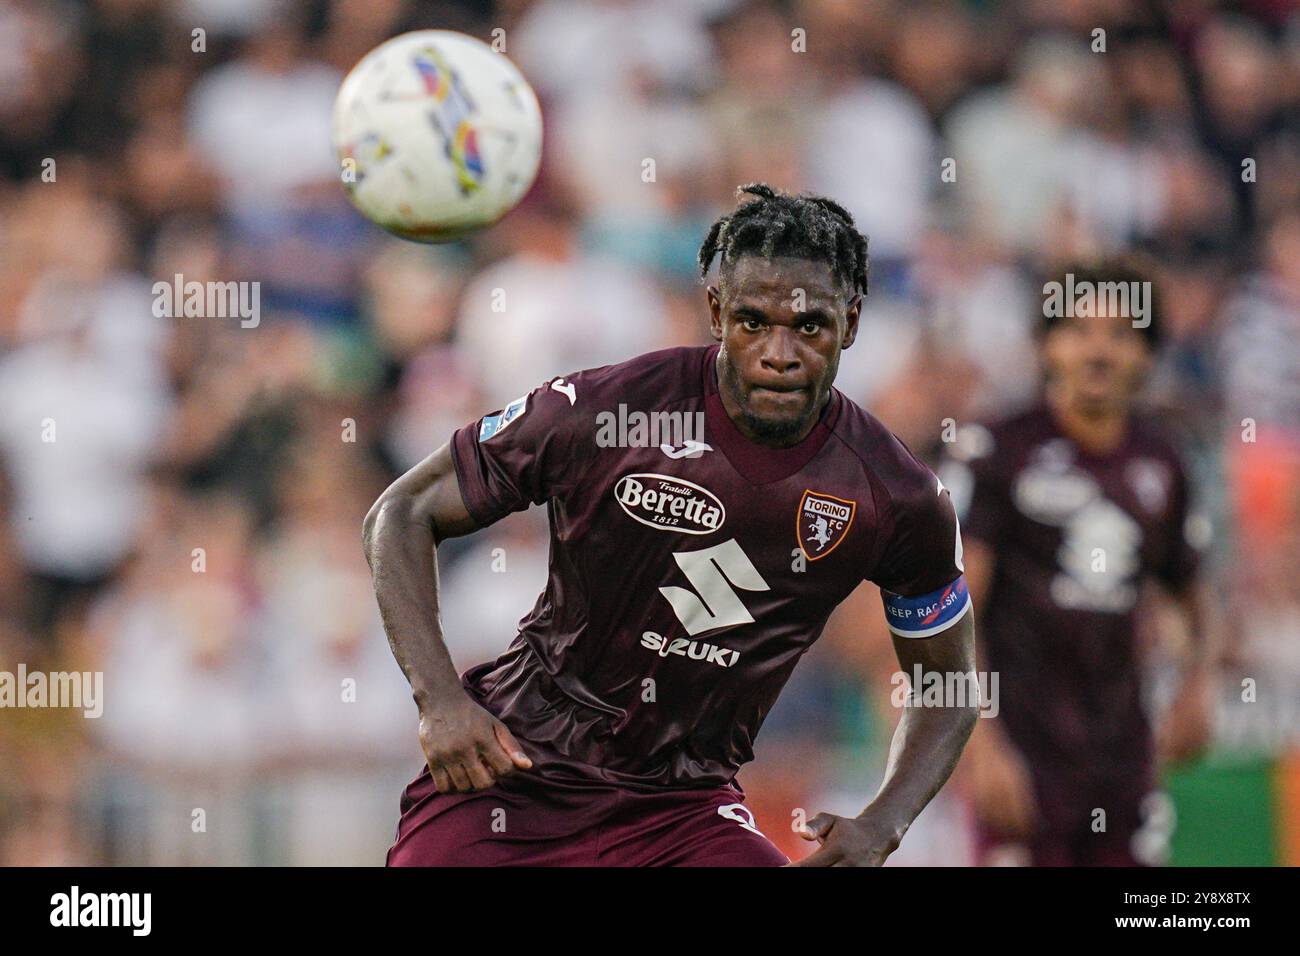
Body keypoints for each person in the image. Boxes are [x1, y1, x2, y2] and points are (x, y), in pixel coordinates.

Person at [364, 184, 978, 866]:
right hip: (518, 772)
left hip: (682, 811)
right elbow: (402, 512)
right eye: (753, 322)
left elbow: (948, 688)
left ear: (852, 322)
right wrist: (439, 699)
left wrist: (885, 822)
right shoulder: (606, 410)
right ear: (715, 311)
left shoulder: (897, 495)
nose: (779, 352)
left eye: (809, 327)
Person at [945, 259, 1215, 866]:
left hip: (1122, 757)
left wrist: (1198, 683)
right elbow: (950, 609)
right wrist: (980, 743)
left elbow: (1189, 589)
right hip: (1021, 752)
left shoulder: (1164, 460)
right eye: (1079, 330)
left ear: (1148, 354)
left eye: (1121, 334)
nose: (1099, 351)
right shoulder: (997, 450)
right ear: (1046, 345)